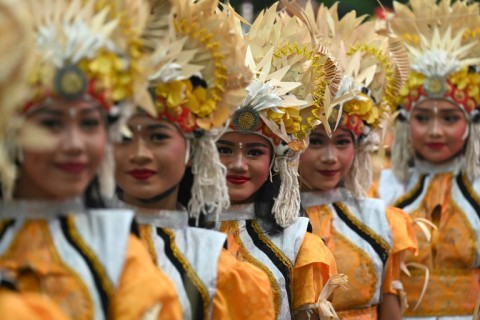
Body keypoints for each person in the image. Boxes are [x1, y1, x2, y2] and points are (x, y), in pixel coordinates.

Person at [0, 0, 182, 319]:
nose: (74, 145)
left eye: (89, 123)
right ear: (11, 130)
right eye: (51, 123)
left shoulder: (122, 257)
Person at [112, 1, 275, 319]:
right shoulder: (63, 248)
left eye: (159, 136)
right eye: (125, 137)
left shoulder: (221, 270)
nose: (140, 153)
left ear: (193, 149)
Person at [212, 2, 343, 319]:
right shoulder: (174, 231)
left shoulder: (298, 244)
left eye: (254, 152)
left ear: (276, 160)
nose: (239, 165)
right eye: (225, 149)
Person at [298, 3, 417, 319]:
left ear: (359, 145)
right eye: (316, 141)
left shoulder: (380, 220)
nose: (330, 157)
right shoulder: (264, 223)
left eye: (342, 142)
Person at [372, 0, 480, 318]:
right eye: (423, 118)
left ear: (471, 124)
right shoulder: (380, 190)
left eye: (449, 118)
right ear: (405, 123)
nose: (435, 131)